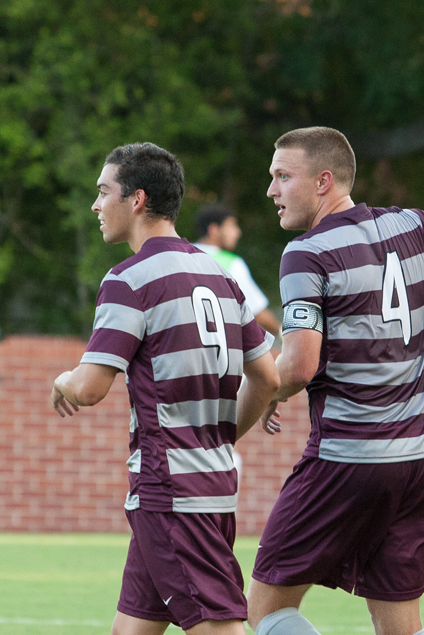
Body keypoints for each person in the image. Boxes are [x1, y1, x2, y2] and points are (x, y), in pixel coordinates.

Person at [245, 126, 424, 635]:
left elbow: (299, 367)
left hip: (348, 460)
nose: (271, 191)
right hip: (419, 462)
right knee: (399, 625)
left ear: (323, 181)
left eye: (282, 177)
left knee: (264, 610)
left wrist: (265, 387)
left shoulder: (306, 253)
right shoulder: (411, 227)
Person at [50, 142, 281, 635]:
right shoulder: (221, 275)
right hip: (209, 484)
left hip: (170, 491)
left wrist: (62, 380)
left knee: (220, 628)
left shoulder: (129, 279)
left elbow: (89, 389)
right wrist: (216, 440)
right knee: (131, 629)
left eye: (103, 192)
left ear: (135, 200)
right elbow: (269, 379)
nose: (95, 205)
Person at [194, 204, 281, 335]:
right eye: (231, 226)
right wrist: (282, 332)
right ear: (213, 229)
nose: (237, 232)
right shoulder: (231, 263)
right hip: (218, 345)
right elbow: (257, 312)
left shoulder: (180, 256)